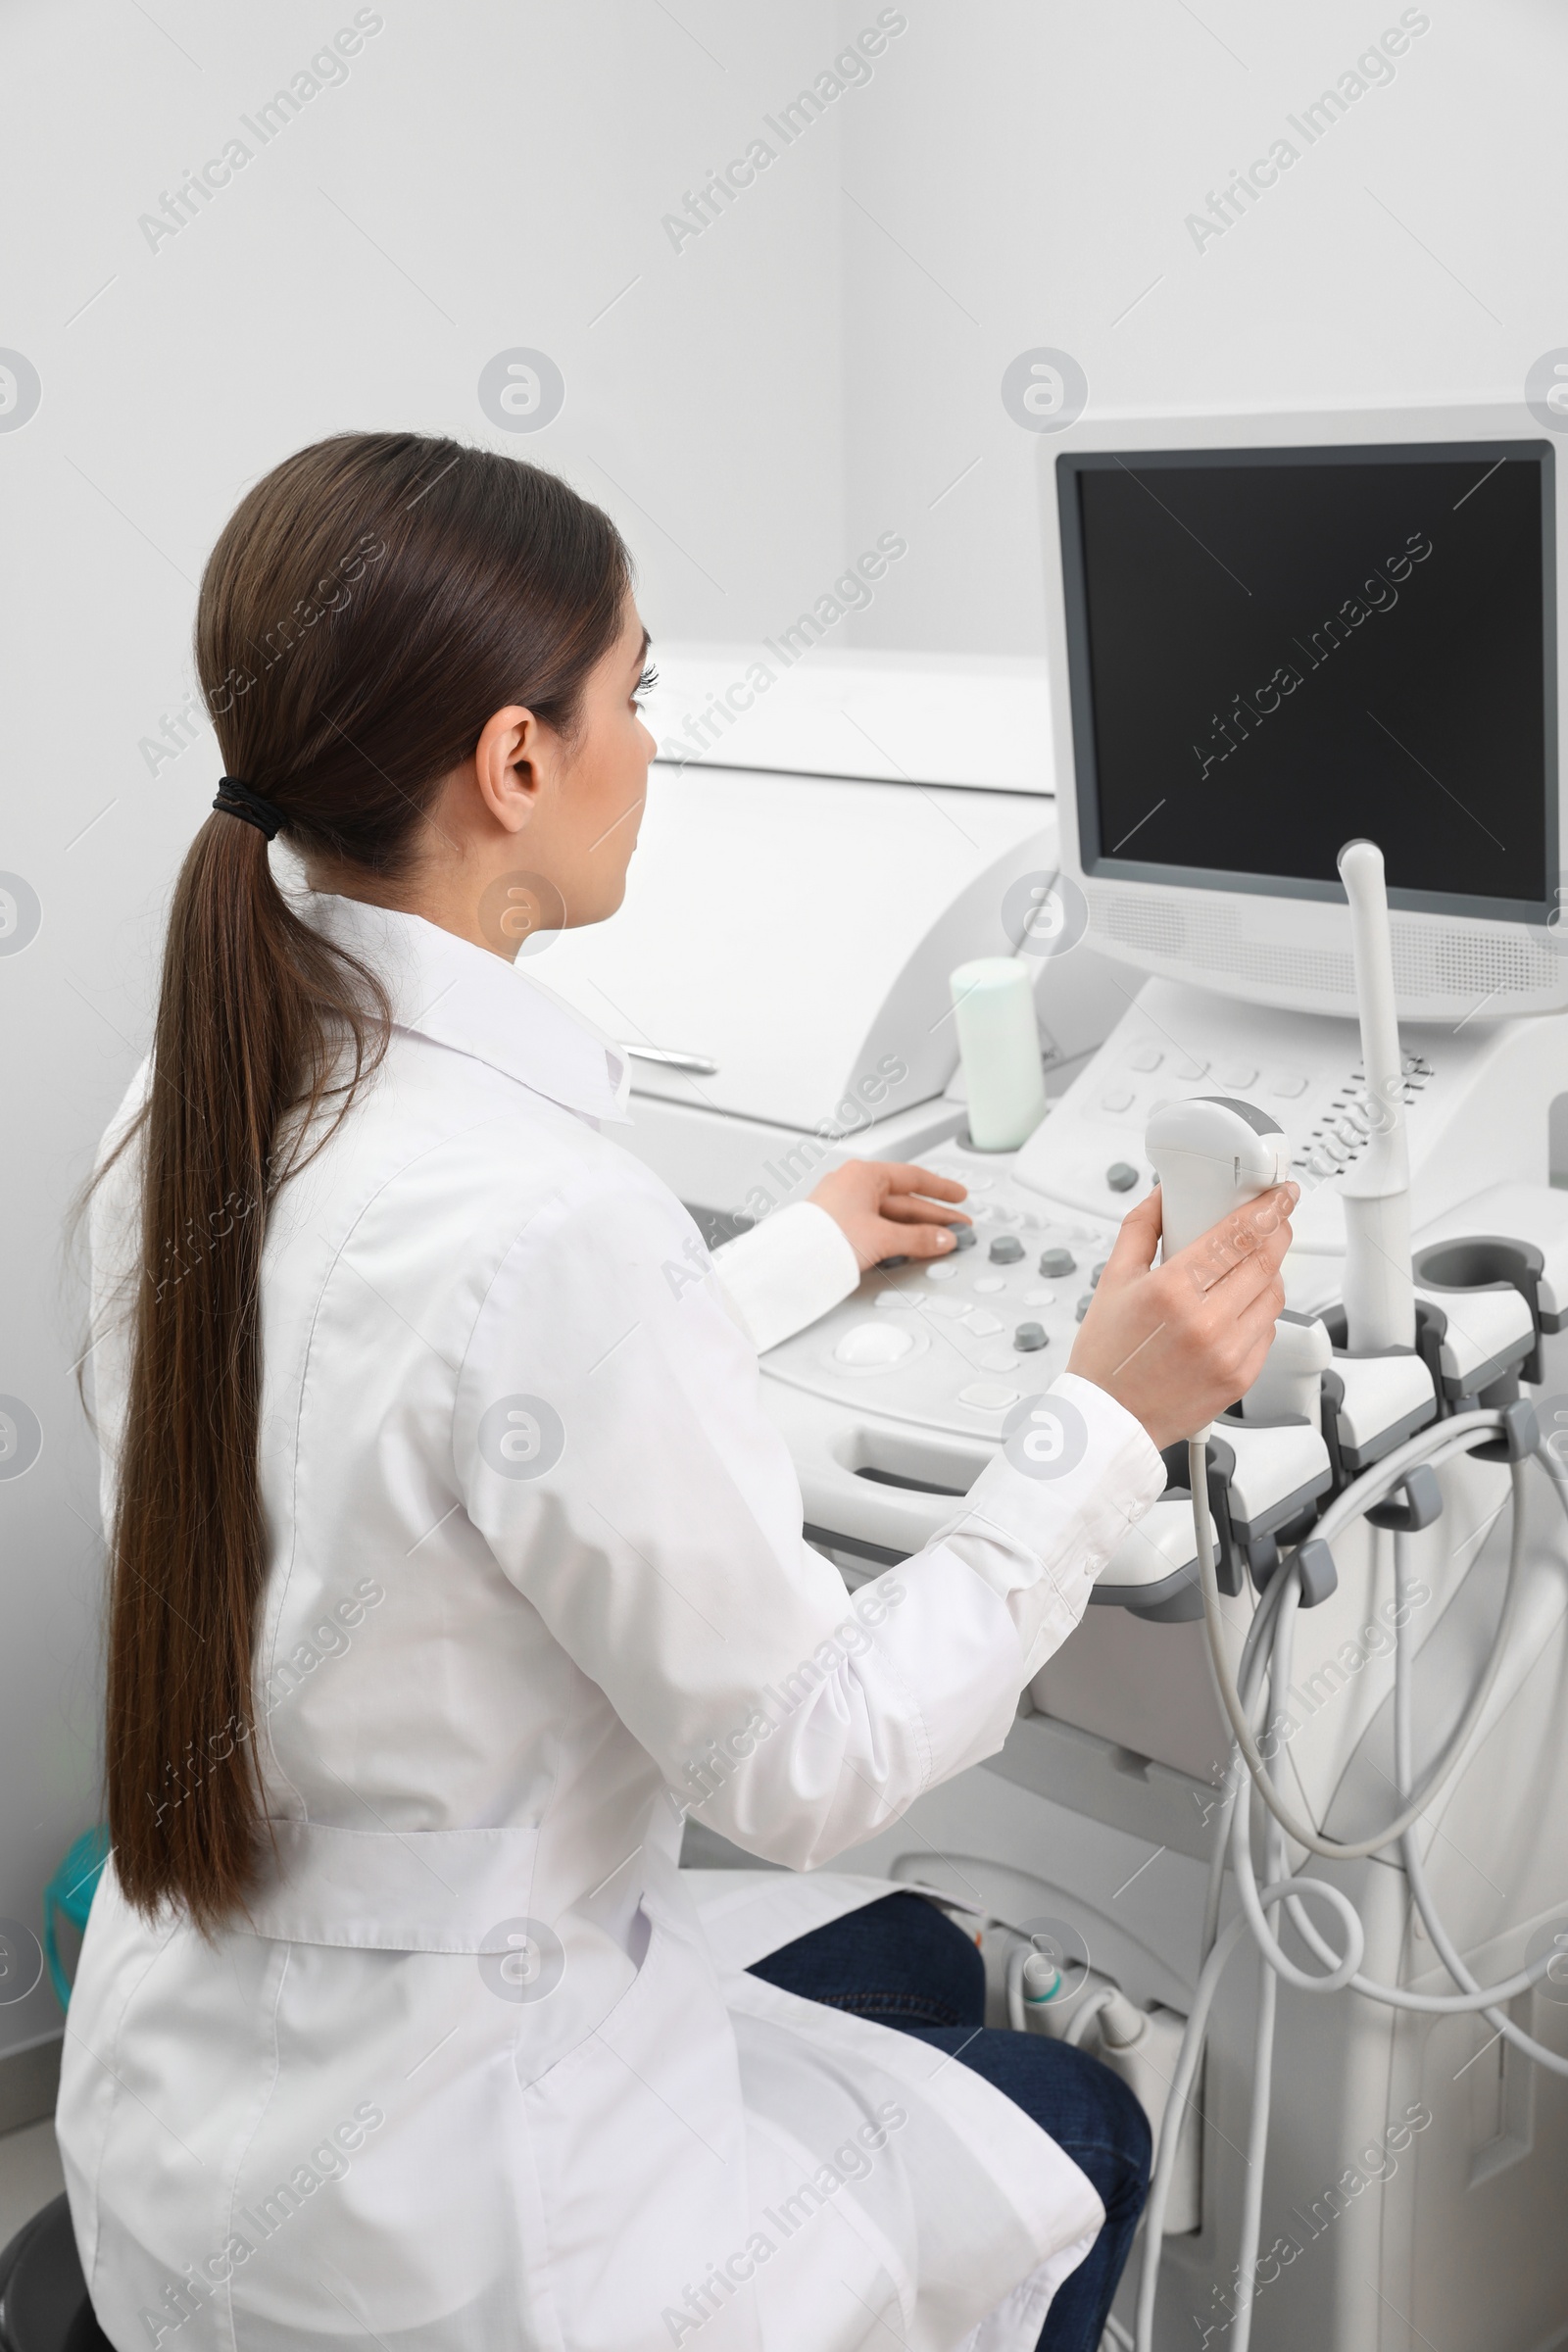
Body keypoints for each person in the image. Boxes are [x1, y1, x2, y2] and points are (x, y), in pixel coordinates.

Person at [58, 432, 1295, 2352]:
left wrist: (796, 1252)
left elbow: (436, 1396)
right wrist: (1102, 1424)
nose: (652, 740)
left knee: (909, 1956)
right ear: (516, 762)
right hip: (460, 2237)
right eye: (635, 693)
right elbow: (811, 1769)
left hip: (189, 2128)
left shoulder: (196, 1091)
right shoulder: (548, 1220)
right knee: (1073, 2121)